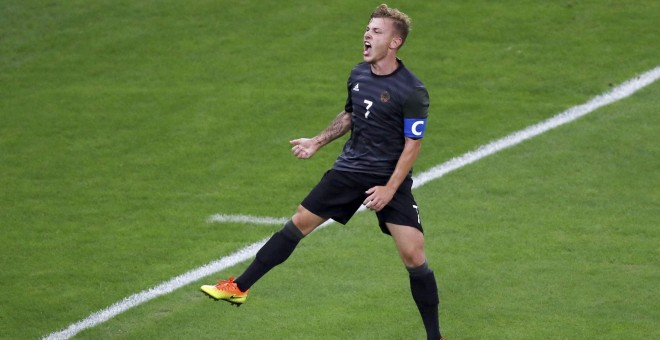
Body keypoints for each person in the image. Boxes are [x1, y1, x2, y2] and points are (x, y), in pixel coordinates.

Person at [201, 4, 444, 339]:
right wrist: (317, 141)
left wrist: (389, 189)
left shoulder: (412, 91)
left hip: (388, 179)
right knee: (299, 222)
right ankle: (238, 286)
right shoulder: (358, 74)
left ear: (394, 43)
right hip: (349, 170)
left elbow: (412, 145)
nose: (367, 34)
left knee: (413, 254)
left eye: (377, 31)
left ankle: (435, 336)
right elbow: (350, 116)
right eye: (368, 28)